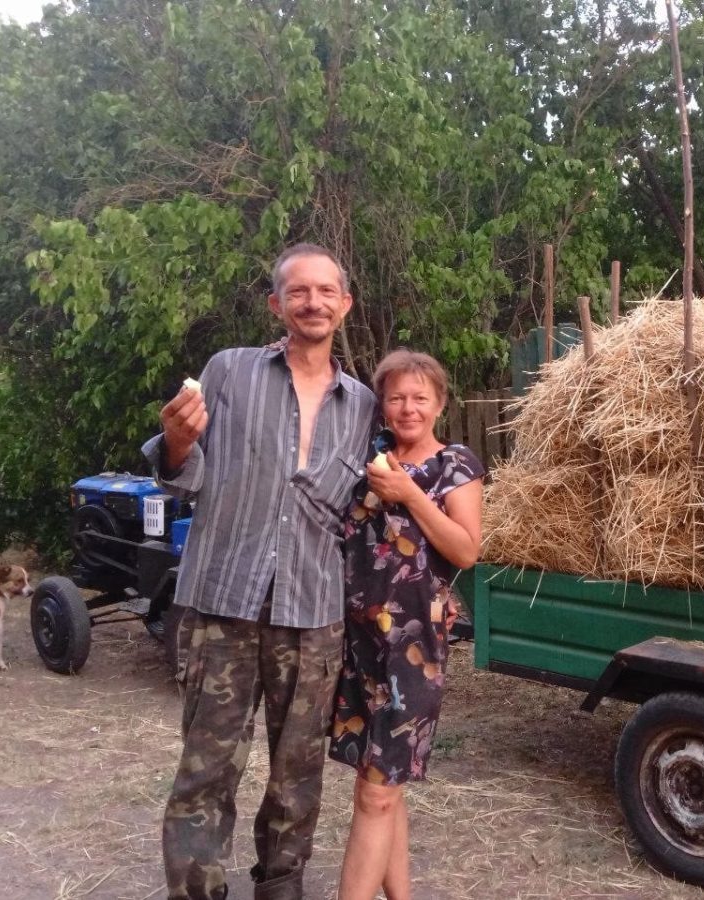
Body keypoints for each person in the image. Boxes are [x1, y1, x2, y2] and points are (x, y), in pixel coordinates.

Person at [143, 243, 377, 900]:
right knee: (205, 772)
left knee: (298, 776)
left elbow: (368, 506)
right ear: (276, 304)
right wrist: (178, 441)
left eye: (325, 291)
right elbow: (183, 471)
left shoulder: (362, 405)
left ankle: (281, 889)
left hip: (313, 613)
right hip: (222, 602)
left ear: (344, 305)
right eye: (298, 291)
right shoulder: (228, 372)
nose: (312, 302)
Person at [328, 350, 485, 900]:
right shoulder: (368, 461)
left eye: (420, 397)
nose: (408, 407)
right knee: (376, 789)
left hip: (413, 650)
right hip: (357, 644)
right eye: (396, 397)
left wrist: (410, 494)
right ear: (382, 405)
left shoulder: (455, 465)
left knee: (376, 795)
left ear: (440, 403)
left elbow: (466, 550)